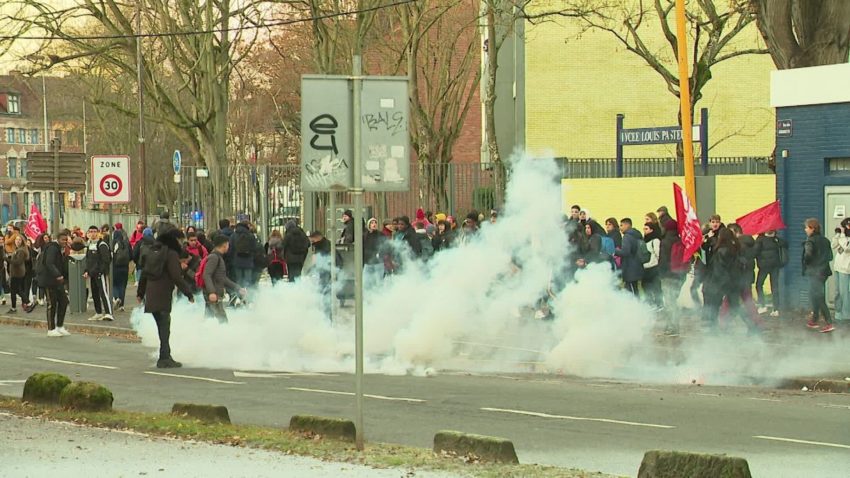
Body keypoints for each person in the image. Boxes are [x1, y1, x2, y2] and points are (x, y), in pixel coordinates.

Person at [136, 227, 196, 368]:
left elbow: (144, 273)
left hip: (151, 294)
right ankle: (164, 358)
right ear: (175, 239)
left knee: (161, 326)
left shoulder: (152, 250)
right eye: (180, 240)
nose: (181, 243)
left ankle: (165, 356)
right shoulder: (171, 253)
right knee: (164, 327)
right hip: (163, 293)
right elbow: (176, 276)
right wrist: (188, 293)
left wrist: (140, 293)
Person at [701, 228, 741, 331]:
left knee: (714, 306)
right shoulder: (734, 248)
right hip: (731, 281)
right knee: (734, 305)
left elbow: (719, 269)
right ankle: (727, 325)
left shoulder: (721, 251)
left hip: (719, 282)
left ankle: (714, 328)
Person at [202, 234, 246, 324]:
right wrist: (211, 292)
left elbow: (222, 278)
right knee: (222, 321)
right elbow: (206, 274)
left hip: (215, 294)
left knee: (210, 320)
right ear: (225, 245)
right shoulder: (214, 258)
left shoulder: (218, 257)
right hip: (214, 295)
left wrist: (237, 288)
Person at [802, 218, 834, 333]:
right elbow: (830, 257)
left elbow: (808, 256)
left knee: (819, 296)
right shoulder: (825, 240)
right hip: (824, 272)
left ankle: (829, 323)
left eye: (806, 227)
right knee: (814, 294)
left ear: (812, 228)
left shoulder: (810, 241)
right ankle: (814, 319)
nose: (805, 230)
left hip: (815, 272)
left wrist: (808, 263)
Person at [37, 231, 70, 337]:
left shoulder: (59, 249)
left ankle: (60, 326)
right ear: (58, 239)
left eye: (66, 240)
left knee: (64, 301)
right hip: (49, 280)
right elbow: (49, 263)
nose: (65, 242)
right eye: (63, 240)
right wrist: (57, 275)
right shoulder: (52, 248)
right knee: (52, 304)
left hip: (57, 281)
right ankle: (51, 329)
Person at [754, 229, 788, 317]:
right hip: (773, 266)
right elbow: (785, 245)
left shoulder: (760, 239)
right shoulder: (776, 239)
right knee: (774, 287)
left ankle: (763, 305)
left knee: (759, 285)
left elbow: (755, 252)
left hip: (765, 266)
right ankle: (775, 309)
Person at [84, 225, 114, 321]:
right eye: (90, 231)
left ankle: (108, 313)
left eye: (94, 231)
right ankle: (98, 312)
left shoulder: (102, 244)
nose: (92, 234)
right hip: (92, 274)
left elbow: (106, 259)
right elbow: (88, 260)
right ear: (88, 233)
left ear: (97, 233)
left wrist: (101, 271)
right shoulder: (89, 245)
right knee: (95, 294)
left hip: (100, 274)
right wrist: (86, 271)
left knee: (103, 292)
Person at [615, 218, 643, 296]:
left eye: (621, 225)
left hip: (629, 268)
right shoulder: (637, 235)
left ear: (627, 225)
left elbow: (625, 252)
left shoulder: (627, 237)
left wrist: (614, 251)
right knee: (635, 289)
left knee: (631, 291)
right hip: (637, 266)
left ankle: (635, 303)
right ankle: (637, 303)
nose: (620, 228)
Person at [228, 221, 259, 287]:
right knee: (248, 280)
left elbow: (230, 249)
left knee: (239, 280)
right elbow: (255, 248)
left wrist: (231, 259)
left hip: (237, 261)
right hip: (248, 261)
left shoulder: (233, 235)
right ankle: (248, 292)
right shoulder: (251, 235)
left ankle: (240, 292)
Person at [830, 220, 850, 321]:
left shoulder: (845, 238)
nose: (842, 229)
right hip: (837, 267)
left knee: (844, 292)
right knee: (837, 292)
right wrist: (837, 235)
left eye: (843, 227)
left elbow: (847, 248)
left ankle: (846, 315)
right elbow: (833, 245)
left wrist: (841, 236)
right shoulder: (842, 237)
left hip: (846, 269)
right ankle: (838, 313)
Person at [7, 235, 33, 314]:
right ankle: (14, 307)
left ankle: (27, 302)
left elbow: (18, 262)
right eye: (16, 240)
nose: (17, 241)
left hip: (17, 273)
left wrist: (7, 259)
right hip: (15, 272)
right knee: (14, 290)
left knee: (17, 290)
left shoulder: (21, 250)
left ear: (22, 241)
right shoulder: (17, 249)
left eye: (19, 240)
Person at [641, 222, 663, 309]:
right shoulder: (644, 240)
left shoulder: (655, 241)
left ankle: (659, 304)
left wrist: (656, 262)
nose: (644, 231)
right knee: (645, 286)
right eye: (644, 229)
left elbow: (658, 254)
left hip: (653, 267)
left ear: (652, 230)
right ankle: (650, 303)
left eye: (646, 229)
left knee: (656, 286)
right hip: (645, 267)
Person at [111, 223, 131, 312]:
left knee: (114, 284)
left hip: (115, 266)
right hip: (125, 267)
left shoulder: (112, 243)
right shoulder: (126, 243)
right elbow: (131, 255)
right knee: (122, 285)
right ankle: (122, 305)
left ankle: (116, 298)